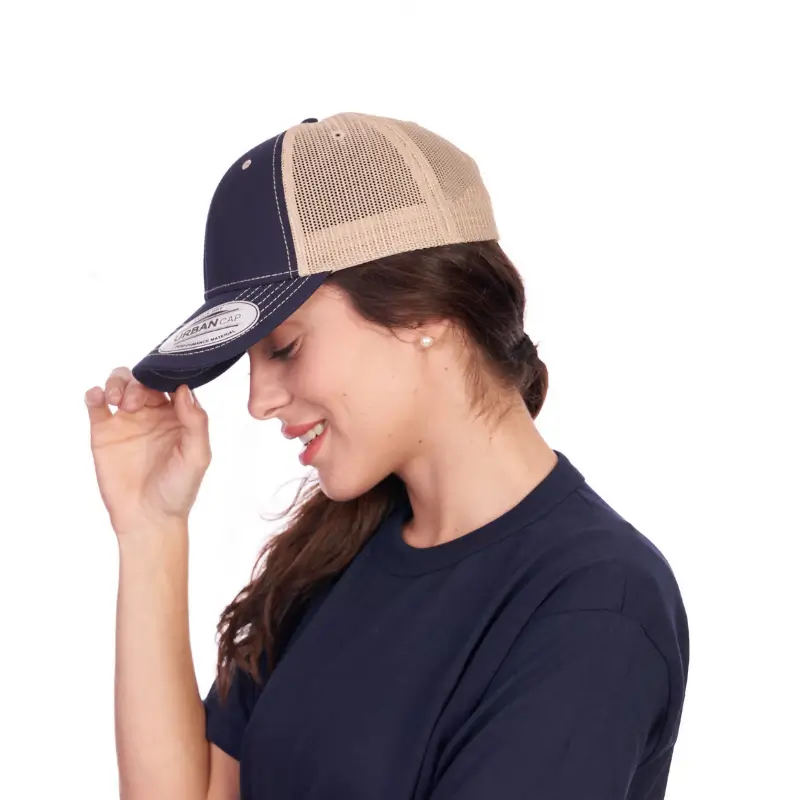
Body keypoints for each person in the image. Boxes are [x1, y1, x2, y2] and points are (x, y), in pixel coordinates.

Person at [85, 112, 689, 800]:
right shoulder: (329, 556)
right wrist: (151, 529)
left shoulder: (593, 605)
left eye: (284, 347)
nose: (258, 401)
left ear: (422, 312)